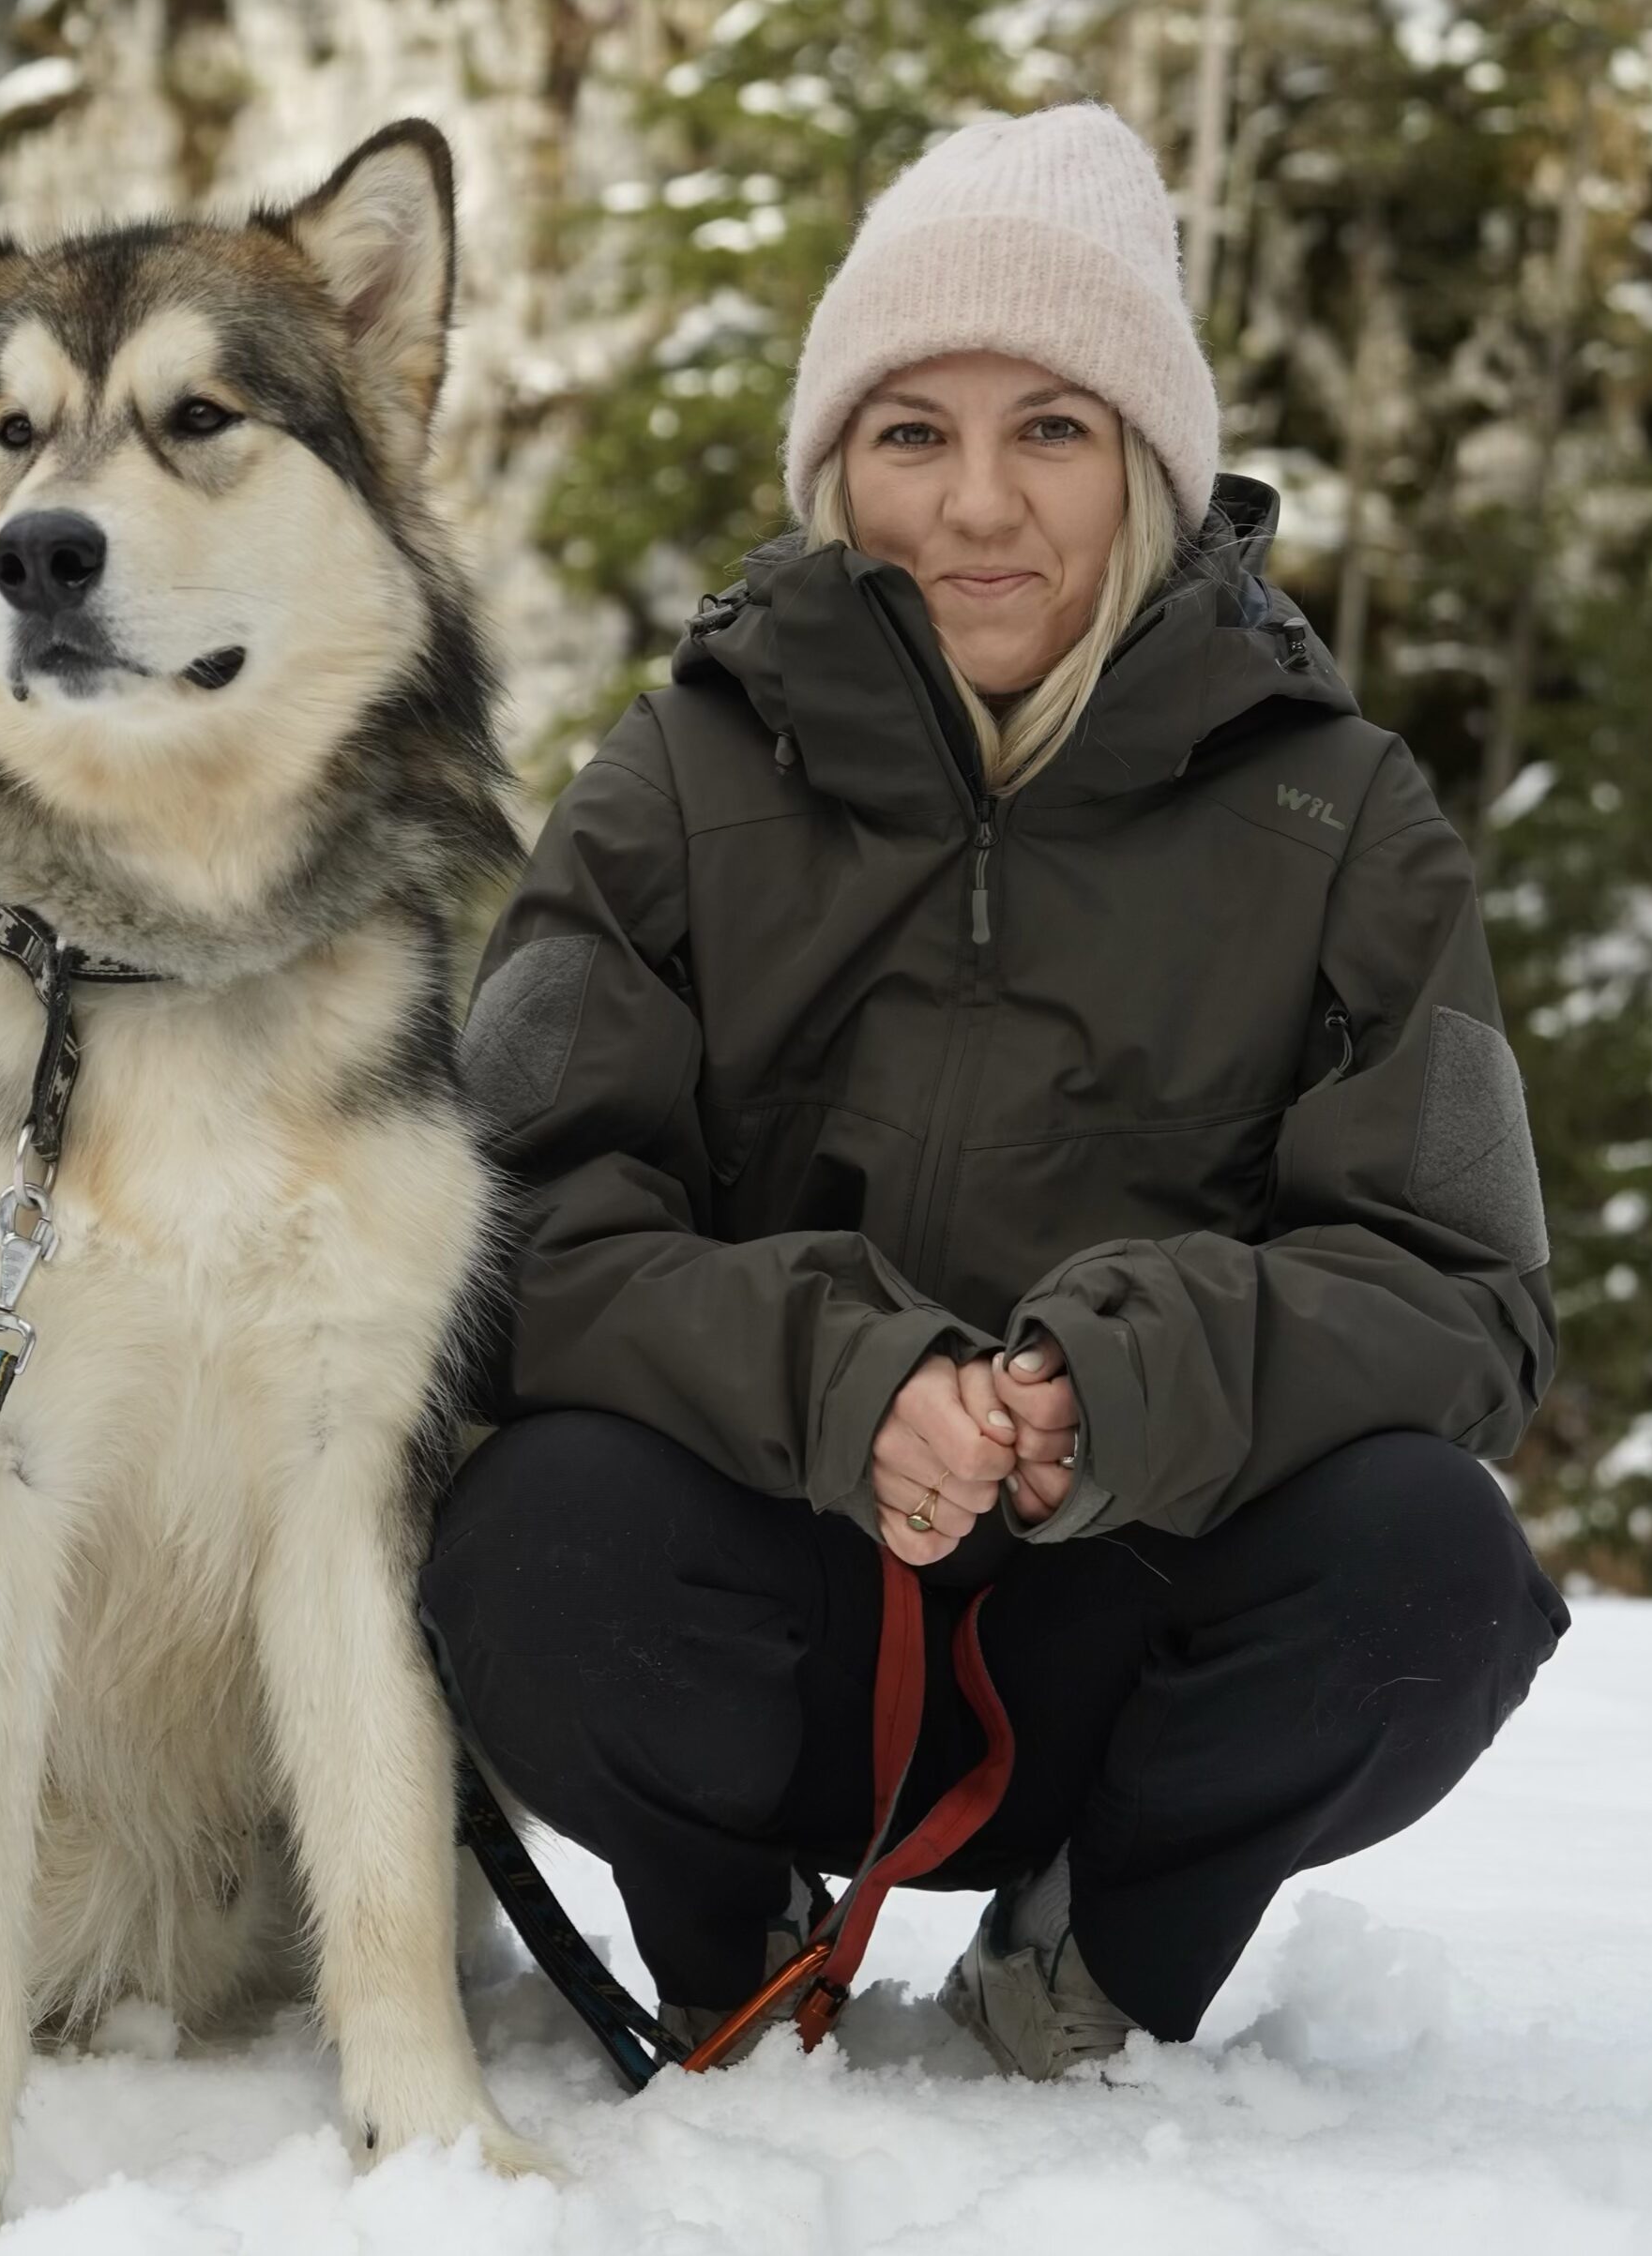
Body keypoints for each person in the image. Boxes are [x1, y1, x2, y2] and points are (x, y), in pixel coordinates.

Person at [422, 99, 1569, 2081]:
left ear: (1146, 463)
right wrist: (843, 1379)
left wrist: (1124, 1386)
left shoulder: (1342, 812)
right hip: (763, 1603)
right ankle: (726, 1947)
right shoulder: (673, 780)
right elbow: (496, 1237)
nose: (973, 506)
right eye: (908, 433)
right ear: (833, 469)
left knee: (1432, 1562)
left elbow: (1464, 1294)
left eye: (1048, 427)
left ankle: (1090, 1965)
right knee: (532, 1531)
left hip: (1124, 1629)